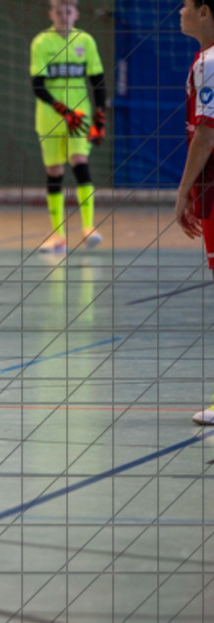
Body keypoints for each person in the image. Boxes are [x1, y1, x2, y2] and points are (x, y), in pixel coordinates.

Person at [30, 0, 105, 253]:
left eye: (68, 12)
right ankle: (58, 236)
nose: (64, 16)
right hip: (50, 117)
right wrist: (62, 110)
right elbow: (38, 85)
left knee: (80, 161)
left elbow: (97, 80)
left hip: (79, 116)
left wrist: (100, 117)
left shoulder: (86, 41)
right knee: (54, 171)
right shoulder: (41, 42)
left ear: (76, 14)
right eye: (59, 12)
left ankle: (88, 227)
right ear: (51, 14)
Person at [175, 0, 214, 424]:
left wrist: (184, 191)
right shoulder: (202, 60)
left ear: (204, 12)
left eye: (186, 5)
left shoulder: (210, 62)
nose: (179, 11)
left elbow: (205, 136)